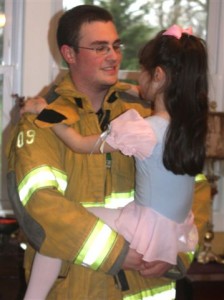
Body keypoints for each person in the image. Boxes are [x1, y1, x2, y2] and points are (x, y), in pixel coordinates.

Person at [7, 5, 211, 300]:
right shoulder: (39, 122)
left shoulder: (142, 114)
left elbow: (197, 187)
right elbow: (40, 206)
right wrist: (116, 251)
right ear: (69, 54)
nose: (114, 56)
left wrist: (176, 253)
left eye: (116, 45)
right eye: (100, 48)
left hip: (146, 286)